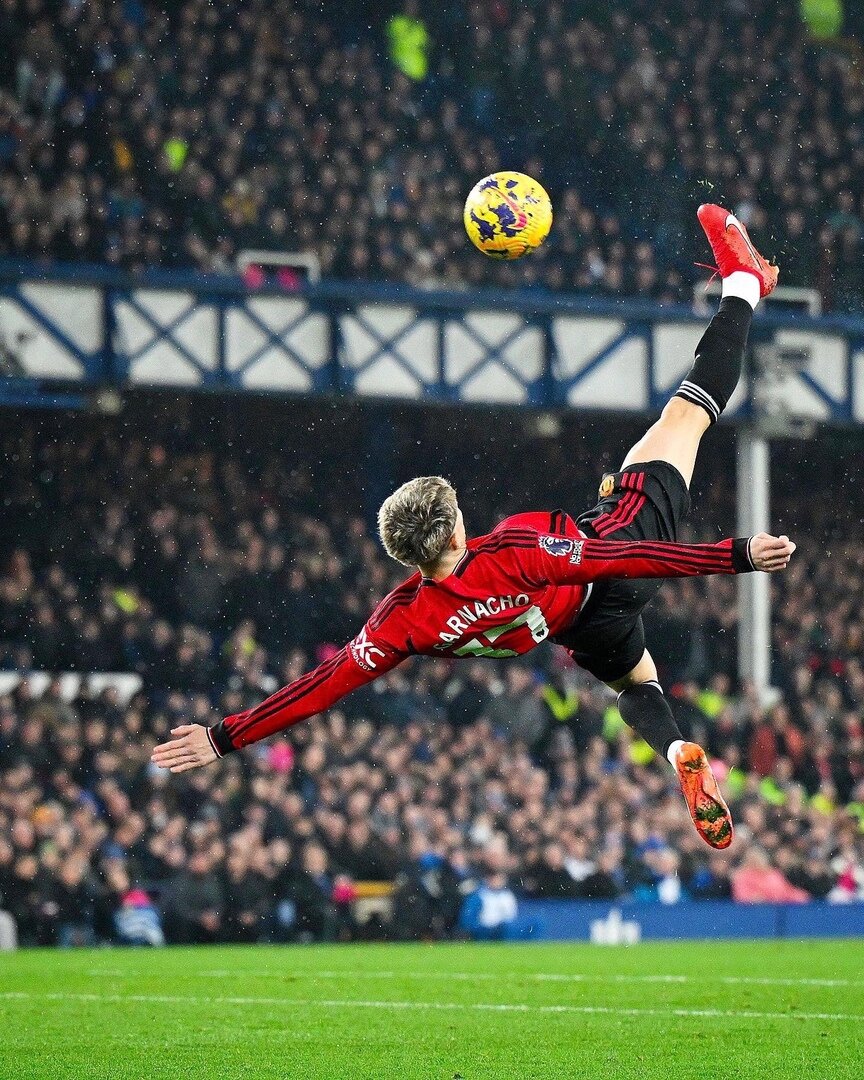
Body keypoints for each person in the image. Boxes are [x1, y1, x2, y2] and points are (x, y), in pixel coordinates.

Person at [153, 205, 794, 851]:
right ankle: (743, 282)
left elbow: (319, 688)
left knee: (636, 682)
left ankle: (676, 747)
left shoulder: (402, 620)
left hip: (578, 628)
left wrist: (222, 737)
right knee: (685, 416)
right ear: (457, 531)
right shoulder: (512, 548)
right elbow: (612, 561)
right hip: (615, 561)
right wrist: (736, 554)